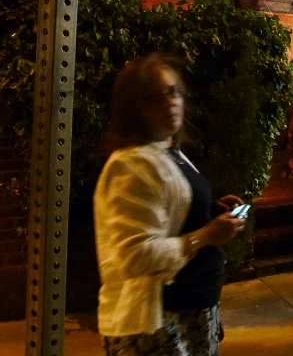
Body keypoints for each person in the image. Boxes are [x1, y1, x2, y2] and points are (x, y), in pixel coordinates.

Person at [94, 52, 246, 356]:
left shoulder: (167, 150)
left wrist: (209, 210)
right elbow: (134, 256)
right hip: (158, 325)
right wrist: (205, 235)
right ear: (134, 110)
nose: (170, 102)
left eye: (173, 91)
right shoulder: (132, 164)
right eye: (155, 97)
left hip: (192, 315)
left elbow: (171, 210)